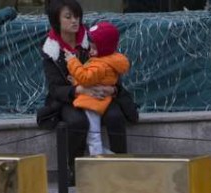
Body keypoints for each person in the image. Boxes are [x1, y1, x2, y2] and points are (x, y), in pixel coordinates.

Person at [37, 0, 137, 175]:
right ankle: (74, 172)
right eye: (68, 17)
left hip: (102, 94)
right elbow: (54, 88)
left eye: (77, 16)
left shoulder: (94, 39)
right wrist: (79, 90)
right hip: (70, 98)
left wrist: (112, 90)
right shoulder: (51, 50)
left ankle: (121, 168)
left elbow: (111, 70)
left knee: (115, 116)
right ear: (56, 21)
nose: (74, 21)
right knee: (77, 122)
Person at [64, 21, 129, 157]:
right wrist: (75, 81)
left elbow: (87, 77)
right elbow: (94, 78)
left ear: (104, 48)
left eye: (94, 49)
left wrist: (72, 61)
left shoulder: (100, 64)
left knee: (93, 133)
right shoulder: (112, 59)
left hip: (92, 101)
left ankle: (97, 156)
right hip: (100, 99)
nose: (90, 52)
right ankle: (108, 155)